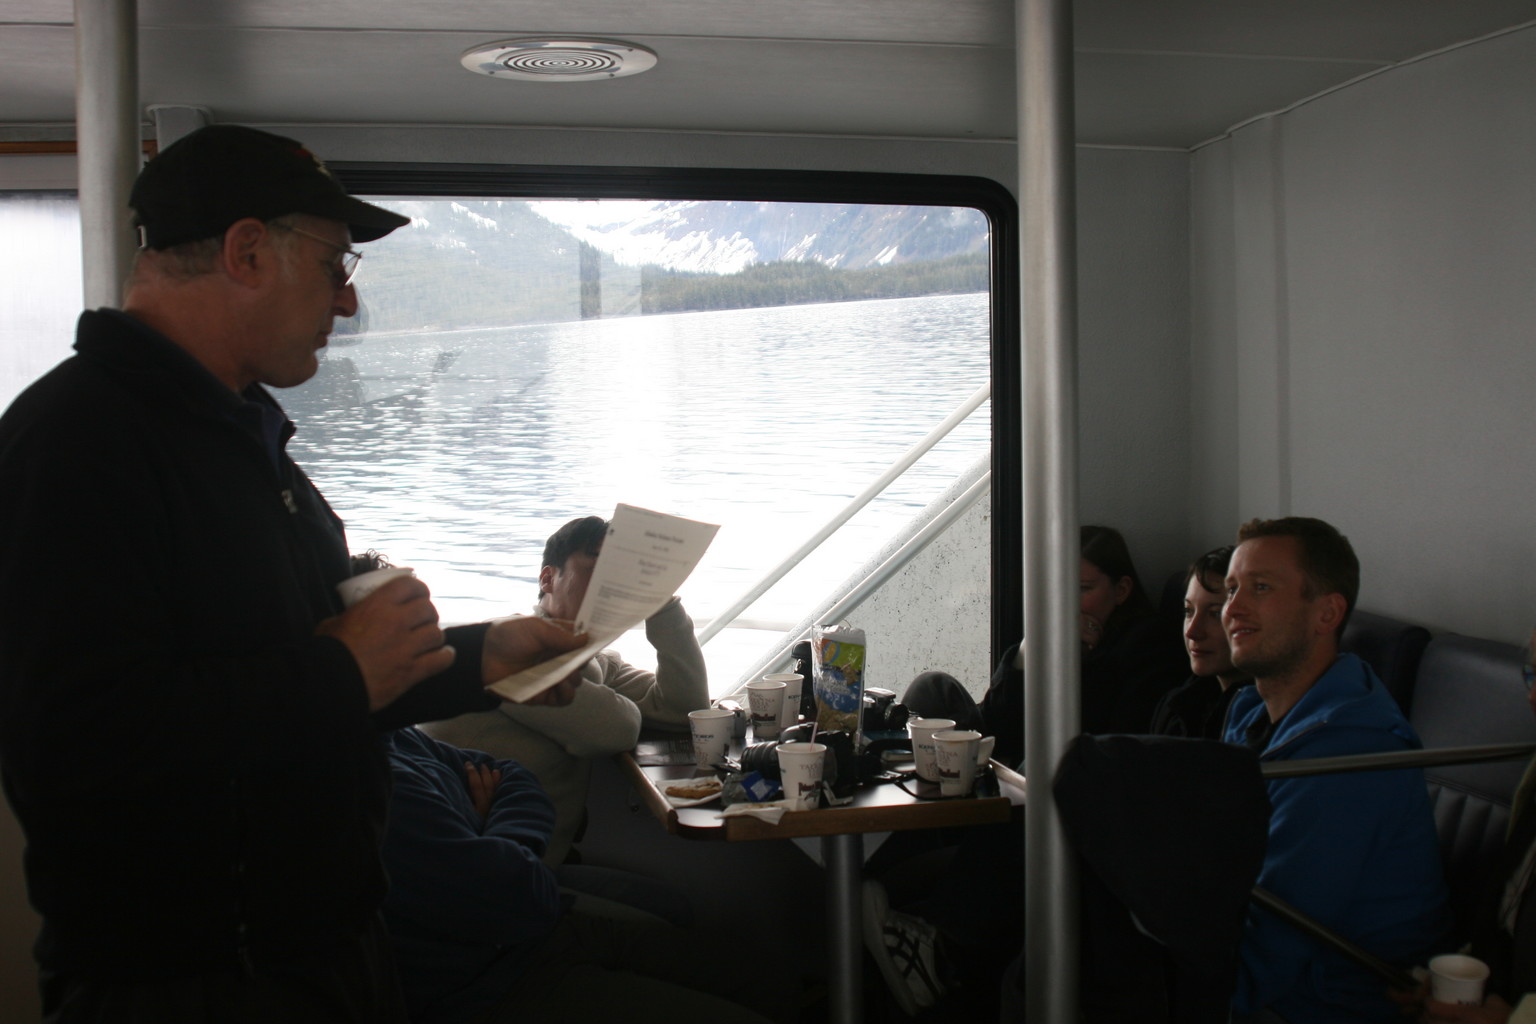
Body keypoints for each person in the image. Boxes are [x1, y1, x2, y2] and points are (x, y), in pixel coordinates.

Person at [0, 125, 588, 1022]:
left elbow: (327, 676)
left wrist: (485, 658)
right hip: (192, 983)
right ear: (245, 252)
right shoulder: (75, 445)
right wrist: (338, 669)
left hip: (330, 951)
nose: (347, 301)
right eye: (333, 265)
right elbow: (74, 748)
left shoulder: (248, 442)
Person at [380, 725, 773, 1024]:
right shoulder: (378, 788)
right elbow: (518, 901)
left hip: (538, 930)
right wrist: (491, 836)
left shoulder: (391, 735)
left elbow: (512, 775)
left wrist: (488, 839)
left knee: (754, 972)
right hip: (487, 986)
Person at [1222, 516, 1448, 1023]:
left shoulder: (1352, 754)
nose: (1232, 608)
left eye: (1260, 588)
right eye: (1232, 588)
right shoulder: (1251, 714)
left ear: (1326, 614)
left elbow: (1267, 950)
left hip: (1322, 1006)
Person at [422, 515, 708, 866]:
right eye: (599, 567)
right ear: (548, 578)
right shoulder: (506, 650)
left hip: (526, 861)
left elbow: (684, 711)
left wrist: (663, 604)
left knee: (664, 898)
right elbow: (614, 730)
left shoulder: (594, 660)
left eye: (627, 575)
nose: (616, 584)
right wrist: (621, 706)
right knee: (663, 904)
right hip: (464, 866)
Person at [903, 524, 1187, 766]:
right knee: (931, 687)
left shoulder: (1149, 644)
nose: (1067, 601)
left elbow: (1110, 736)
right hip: (1009, 750)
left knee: (1039, 764)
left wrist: (1082, 660)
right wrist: (1029, 650)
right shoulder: (1052, 632)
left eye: (1083, 589)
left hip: (1062, 767)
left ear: (1121, 590)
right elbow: (997, 720)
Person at [1149, 544, 1252, 738]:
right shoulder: (1177, 704)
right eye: (1188, 611)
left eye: (1215, 613)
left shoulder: (1264, 716)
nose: (1192, 632)